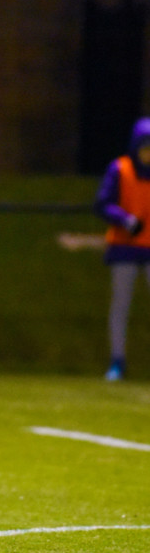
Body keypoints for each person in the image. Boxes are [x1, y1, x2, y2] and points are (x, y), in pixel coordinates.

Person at [95, 117, 150, 381]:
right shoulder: (120, 169)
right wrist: (126, 220)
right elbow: (103, 203)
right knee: (120, 304)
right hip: (124, 246)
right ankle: (117, 360)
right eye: (145, 147)